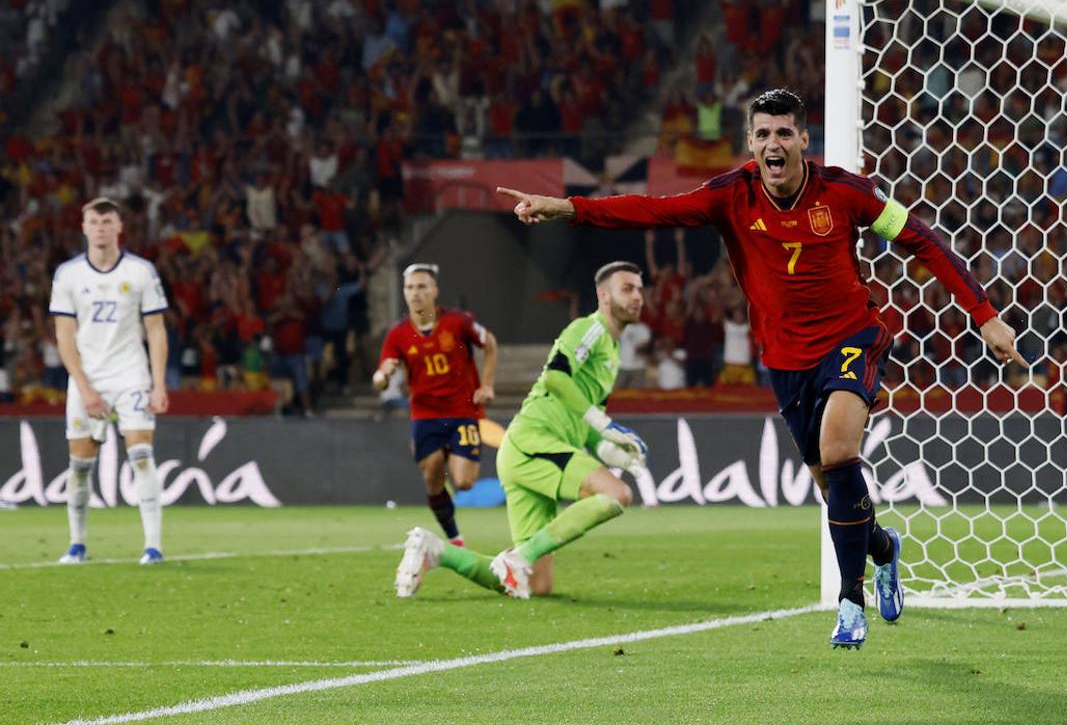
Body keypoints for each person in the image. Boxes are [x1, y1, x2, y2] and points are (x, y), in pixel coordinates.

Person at [498, 89, 1029, 647]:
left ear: (803, 139)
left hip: (851, 336)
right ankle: (883, 549)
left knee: (839, 451)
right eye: (763, 134)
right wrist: (568, 207)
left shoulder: (846, 192)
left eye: (784, 133)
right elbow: (651, 209)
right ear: (751, 143)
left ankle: (851, 603)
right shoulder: (731, 195)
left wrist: (984, 314)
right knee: (834, 489)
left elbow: (922, 239)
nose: (773, 144)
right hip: (785, 358)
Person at [394, 261, 649, 599]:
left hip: (530, 453)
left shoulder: (612, 352)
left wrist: (609, 449)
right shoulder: (591, 329)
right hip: (536, 440)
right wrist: (604, 424)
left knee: (535, 584)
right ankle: (519, 557)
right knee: (617, 494)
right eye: (627, 288)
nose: (637, 297)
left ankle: (436, 550)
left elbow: (586, 422)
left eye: (640, 290)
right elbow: (556, 377)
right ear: (604, 295)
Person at [49, 198, 170, 565]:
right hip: (88, 378)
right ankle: (77, 544)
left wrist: (159, 384)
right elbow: (64, 337)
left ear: (119, 227)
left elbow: (156, 330)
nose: (100, 227)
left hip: (131, 375)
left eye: (107, 221)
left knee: (142, 456)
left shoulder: (140, 272)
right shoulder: (68, 275)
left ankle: (153, 547)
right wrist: (85, 388)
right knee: (80, 466)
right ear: (83, 228)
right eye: (93, 221)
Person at [373, 263, 498, 548]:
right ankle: (454, 537)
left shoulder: (458, 322)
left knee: (464, 482)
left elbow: (489, 343)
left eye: (421, 287)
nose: (415, 293)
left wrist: (487, 384)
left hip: (462, 411)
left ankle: (451, 455)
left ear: (434, 291)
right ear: (404, 293)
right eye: (410, 288)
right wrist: (384, 375)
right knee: (432, 479)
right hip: (425, 416)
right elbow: (379, 379)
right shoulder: (398, 334)